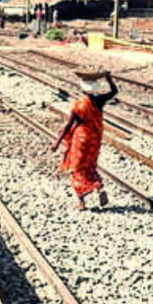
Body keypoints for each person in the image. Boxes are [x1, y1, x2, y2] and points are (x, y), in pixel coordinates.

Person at [51, 70, 118, 211]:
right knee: (90, 165)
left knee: (77, 168)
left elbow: (68, 125)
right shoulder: (99, 101)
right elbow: (114, 91)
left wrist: (57, 142)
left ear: (83, 87)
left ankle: (81, 201)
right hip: (95, 139)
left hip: (81, 140)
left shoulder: (78, 105)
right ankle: (97, 185)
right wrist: (108, 78)